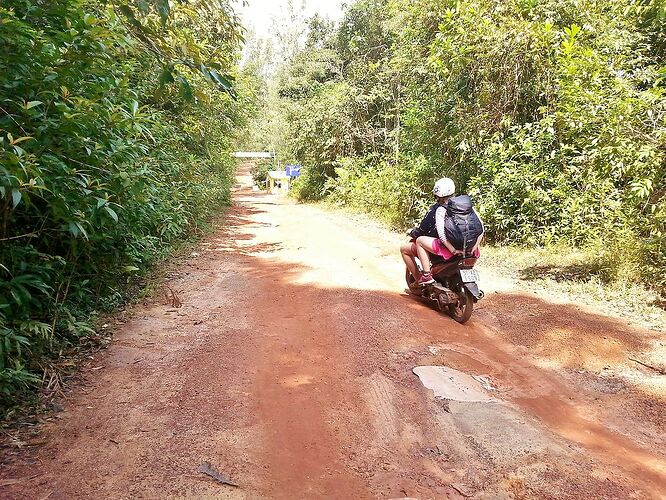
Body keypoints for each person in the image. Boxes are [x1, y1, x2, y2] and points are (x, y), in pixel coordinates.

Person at [413, 177, 484, 285]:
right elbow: (481, 229)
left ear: (437, 195)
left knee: (419, 241)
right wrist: (473, 248)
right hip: (470, 249)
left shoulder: (441, 209)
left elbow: (442, 236)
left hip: (450, 250)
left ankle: (426, 275)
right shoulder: (467, 206)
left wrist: (454, 251)